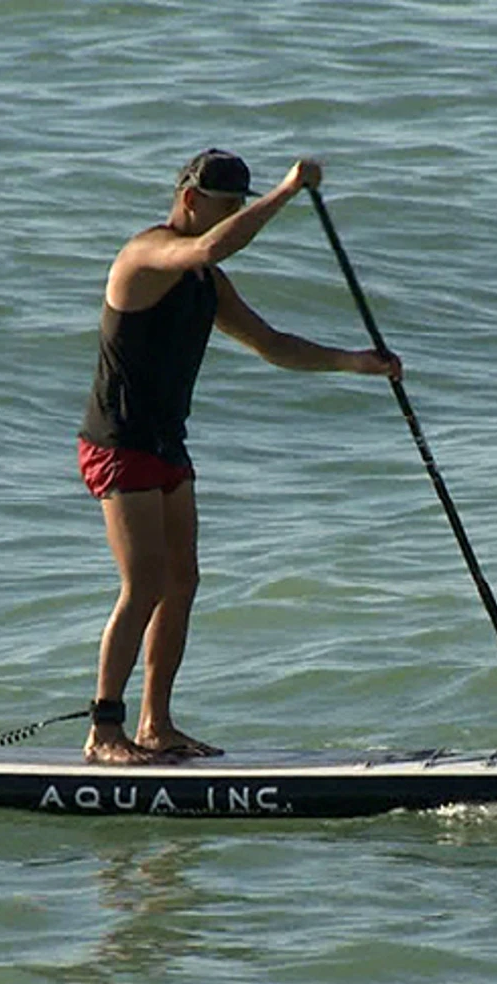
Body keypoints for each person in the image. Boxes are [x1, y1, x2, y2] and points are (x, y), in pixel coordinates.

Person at [77, 149, 402, 765]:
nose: (232, 219)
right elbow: (206, 248)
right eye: (228, 207)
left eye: (239, 209)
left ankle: (156, 725)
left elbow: (271, 343)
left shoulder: (205, 282)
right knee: (143, 582)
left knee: (182, 581)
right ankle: (104, 731)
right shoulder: (146, 255)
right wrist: (287, 190)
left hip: (167, 441)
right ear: (191, 200)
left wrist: (355, 362)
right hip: (118, 442)